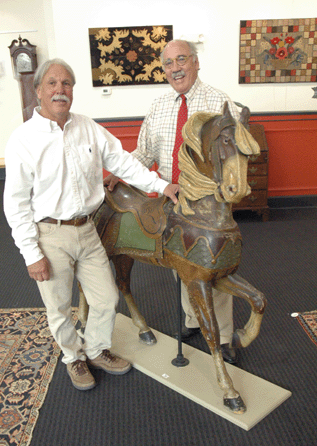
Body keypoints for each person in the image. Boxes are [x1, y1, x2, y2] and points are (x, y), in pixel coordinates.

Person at [3, 58, 179, 391]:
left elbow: (123, 162)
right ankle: (73, 358)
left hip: (88, 228)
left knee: (106, 298)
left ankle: (96, 349)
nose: (60, 90)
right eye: (52, 84)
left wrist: (161, 185)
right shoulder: (23, 139)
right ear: (38, 90)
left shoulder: (88, 127)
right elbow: (15, 202)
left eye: (67, 83)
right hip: (48, 234)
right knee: (57, 306)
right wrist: (30, 252)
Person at [105, 40, 241, 364]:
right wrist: (118, 174)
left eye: (182, 59)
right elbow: (144, 152)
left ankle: (222, 337)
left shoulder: (218, 101)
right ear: (164, 69)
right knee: (180, 265)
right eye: (169, 63)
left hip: (207, 202)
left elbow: (233, 151)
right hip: (170, 196)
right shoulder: (159, 105)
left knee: (211, 270)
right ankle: (194, 319)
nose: (175, 67)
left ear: (195, 63)